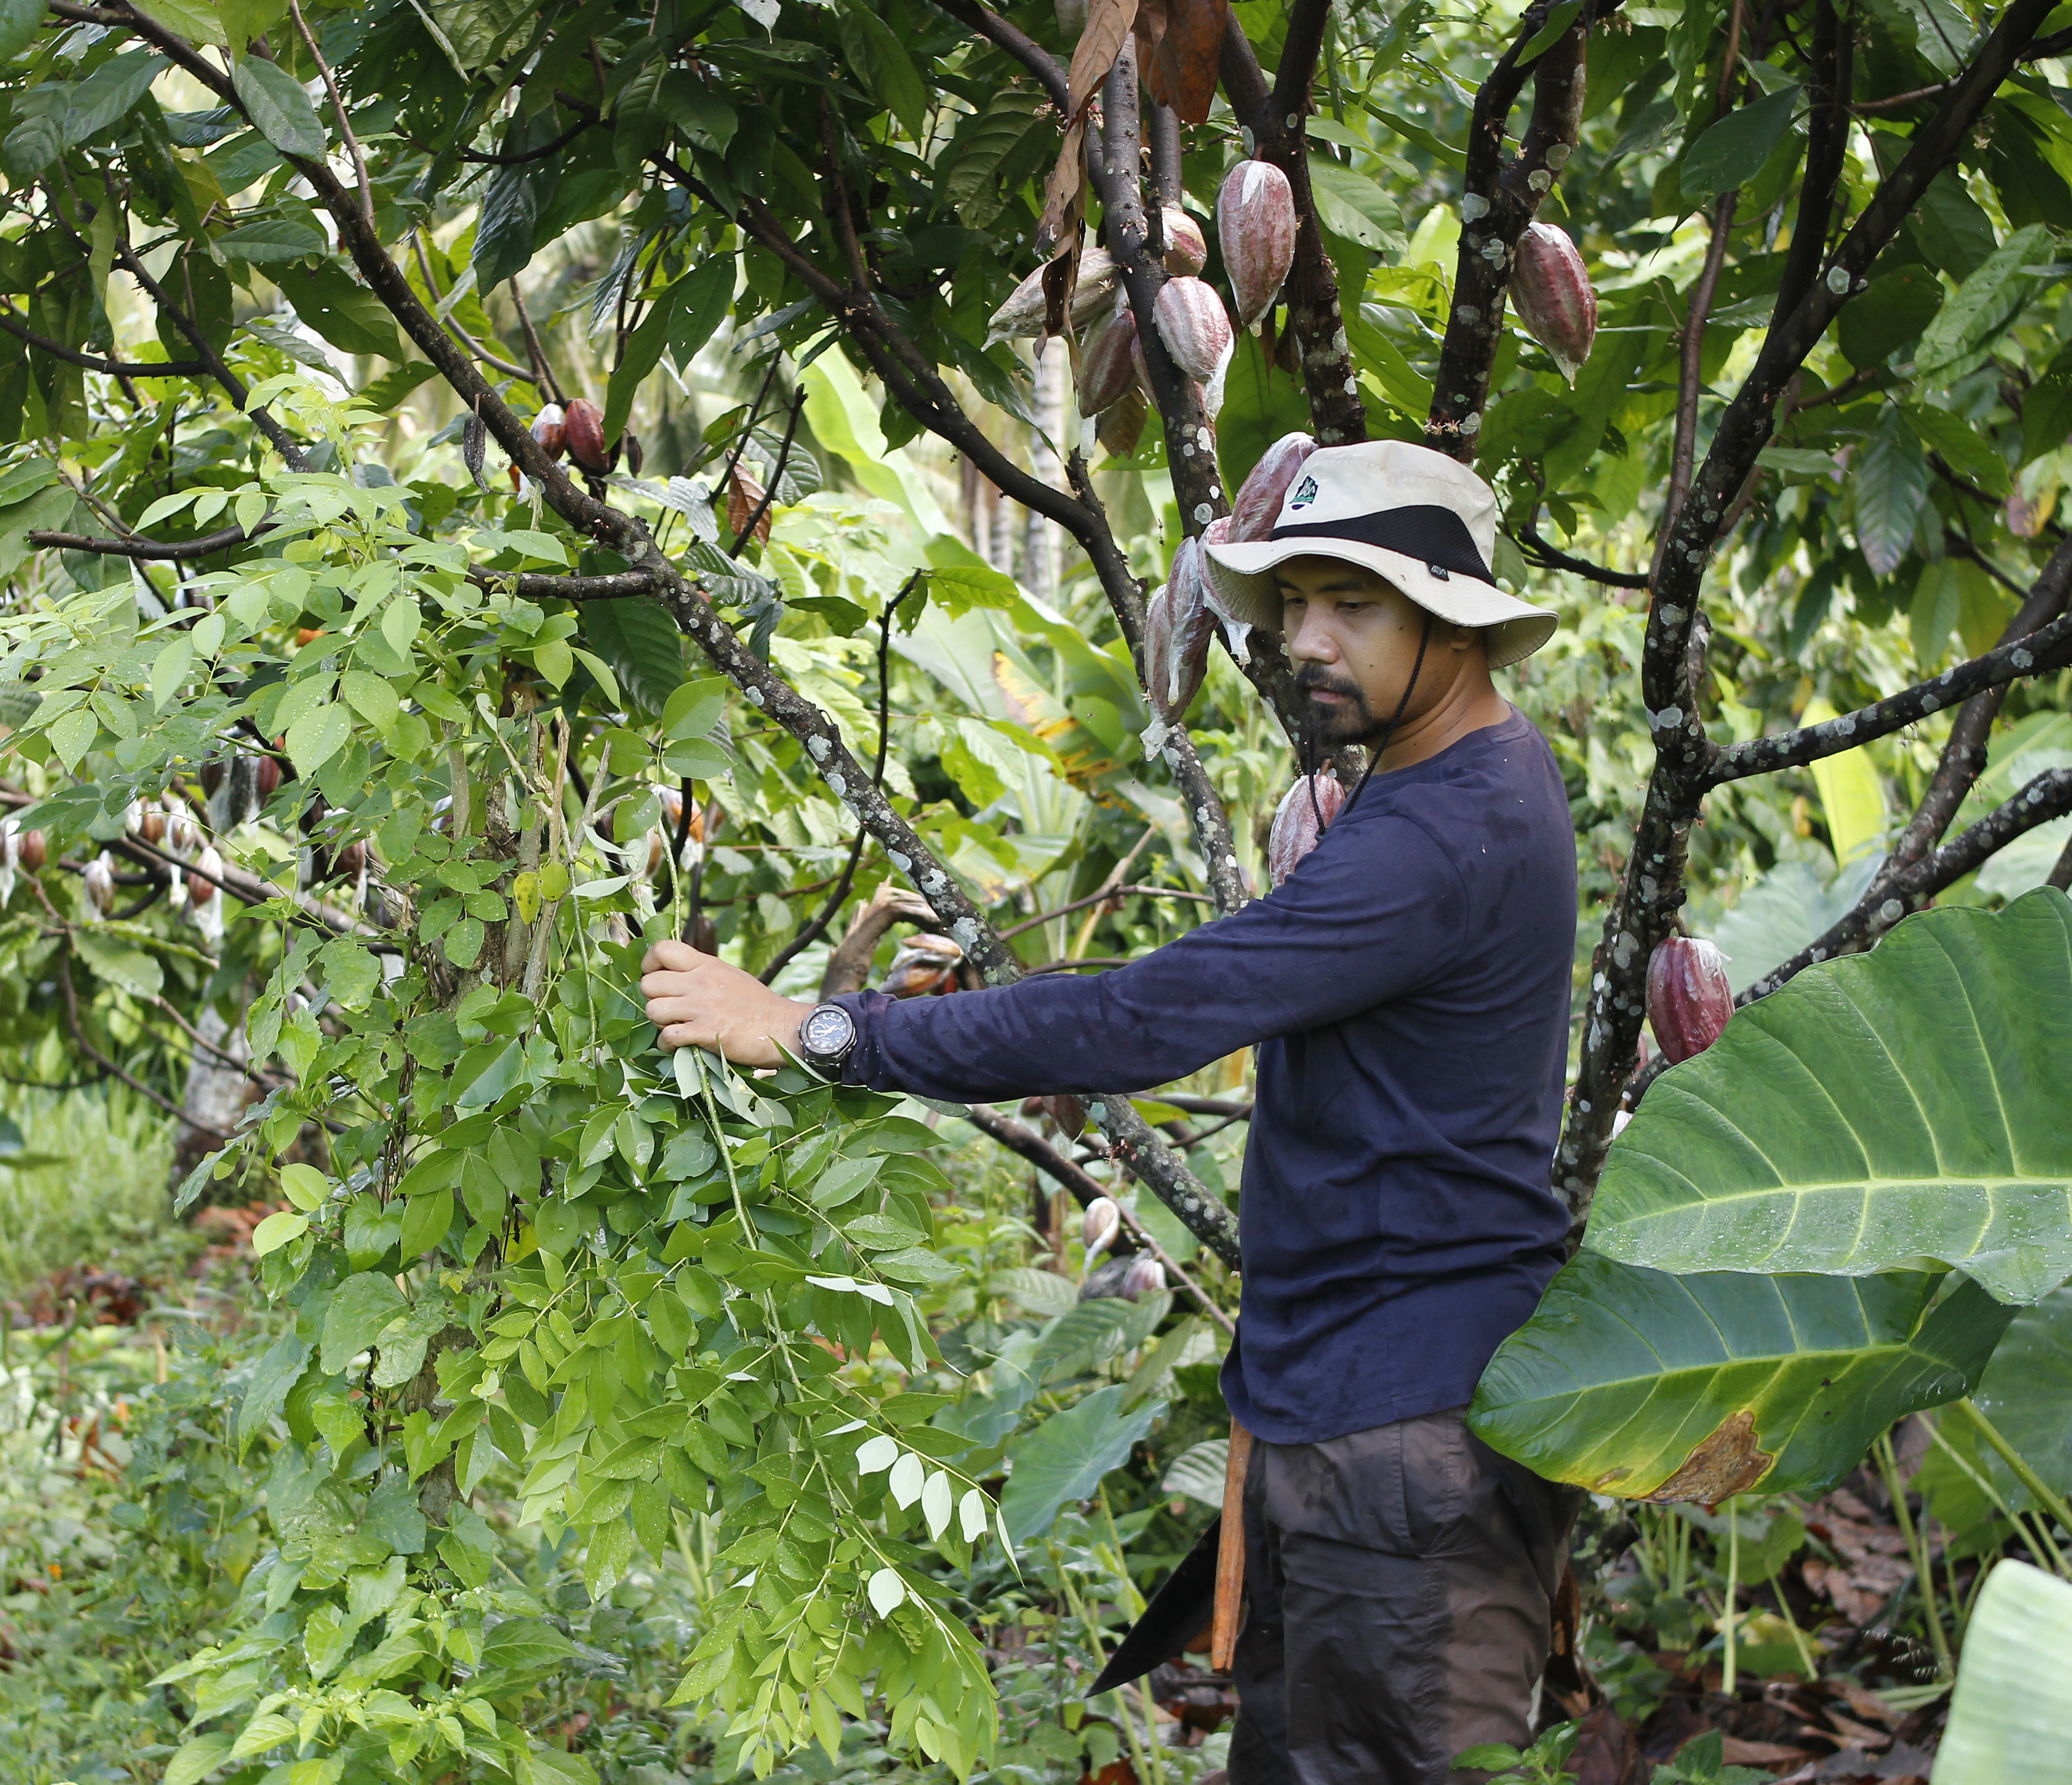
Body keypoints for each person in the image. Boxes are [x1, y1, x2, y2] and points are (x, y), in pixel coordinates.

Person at [640, 441, 1584, 1785]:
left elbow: (1145, 1019)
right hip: (1347, 1417)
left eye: (1352, 607)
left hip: (1408, 1449)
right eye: (1298, 601)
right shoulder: (1447, 788)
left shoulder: (1449, 830)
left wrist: (814, 1030)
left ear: (1453, 621)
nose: (1307, 641)